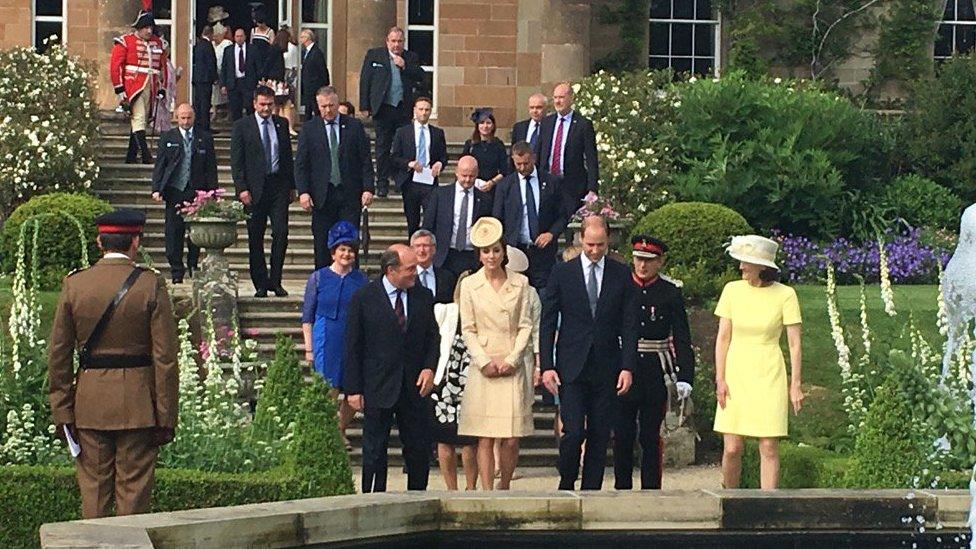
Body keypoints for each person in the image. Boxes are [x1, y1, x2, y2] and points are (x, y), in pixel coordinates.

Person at [47, 209, 178, 519]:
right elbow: (165, 358)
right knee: (133, 498)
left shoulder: (75, 284)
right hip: (138, 405)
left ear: (99, 242)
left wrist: (62, 411)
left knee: (93, 494)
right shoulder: (150, 284)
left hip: (89, 405)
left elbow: (59, 355)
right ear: (135, 241)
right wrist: (166, 415)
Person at [540, 216, 638, 490]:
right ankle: (567, 481)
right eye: (591, 244)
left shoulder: (621, 274)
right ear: (580, 239)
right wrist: (547, 364)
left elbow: (629, 324)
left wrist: (627, 366)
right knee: (573, 431)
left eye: (601, 245)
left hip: (607, 364)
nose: (595, 251)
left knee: (599, 433)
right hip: (571, 364)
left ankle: (592, 490)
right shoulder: (563, 273)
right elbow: (547, 321)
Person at [345, 244, 440, 493]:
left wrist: (429, 368)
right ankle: (373, 499)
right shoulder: (364, 298)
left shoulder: (422, 296)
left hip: (414, 387)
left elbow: (433, 338)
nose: (415, 273)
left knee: (418, 449)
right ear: (391, 270)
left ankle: (418, 499)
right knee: (375, 451)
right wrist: (353, 390)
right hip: (378, 385)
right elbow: (353, 346)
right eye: (409, 269)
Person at [714, 235, 804, 490]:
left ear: (763, 267)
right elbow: (722, 338)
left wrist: (795, 384)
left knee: (768, 445)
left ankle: (768, 506)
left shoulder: (786, 295)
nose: (741, 267)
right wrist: (720, 378)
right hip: (736, 371)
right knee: (732, 447)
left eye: (747, 263)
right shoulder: (732, 290)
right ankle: (728, 501)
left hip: (769, 371)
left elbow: (795, 344)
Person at [457, 218, 533, 490]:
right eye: (486, 251)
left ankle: (505, 486)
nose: (491, 256)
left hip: (511, 359)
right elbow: (468, 328)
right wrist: (484, 361)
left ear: (504, 253)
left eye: (496, 250)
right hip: (484, 363)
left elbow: (526, 324)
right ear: (479, 255)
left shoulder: (521, 283)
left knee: (511, 436)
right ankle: (488, 491)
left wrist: (513, 359)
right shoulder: (469, 285)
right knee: (485, 436)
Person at [614, 235, 694, 490]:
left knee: (650, 435)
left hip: (654, 368)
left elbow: (681, 336)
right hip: (624, 366)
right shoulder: (621, 287)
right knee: (623, 434)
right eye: (638, 260)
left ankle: (651, 489)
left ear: (660, 262)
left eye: (649, 261)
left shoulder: (669, 293)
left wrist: (685, 377)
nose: (642, 266)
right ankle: (622, 488)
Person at [301, 221, 368, 450]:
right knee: (328, 388)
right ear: (333, 252)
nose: (346, 254)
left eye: (350, 250)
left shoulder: (361, 280)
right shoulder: (318, 278)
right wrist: (309, 348)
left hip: (352, 338)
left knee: (352, 388)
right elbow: (307, 316)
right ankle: (329, 431)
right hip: (325, 337)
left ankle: (339, 428)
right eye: (342, 249)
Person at [295, 86, 374, 270]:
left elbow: (365, 160)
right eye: (323, 106)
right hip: (322, 196)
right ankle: (323, 283)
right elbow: (301, 164)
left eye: (331, 105)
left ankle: (351, 284)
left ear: (338, 104)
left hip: (348, 194)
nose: (327, 110)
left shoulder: (354, 127)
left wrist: (368, 188)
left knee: (349, 242)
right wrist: (303, 192)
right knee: (322, 244)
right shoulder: (309, 129)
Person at [231, 85, 295, 298]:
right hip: (254, 188)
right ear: (254, 104)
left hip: (278, 185)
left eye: (270, 104)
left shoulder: (282, 124)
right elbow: (237, 162)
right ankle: (260, 282)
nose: (266, 108)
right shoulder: (242, 126)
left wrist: (292, 186)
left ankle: (275, 280)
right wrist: (242, 189)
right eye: (262, 104)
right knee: (255, 236)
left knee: (281, 232)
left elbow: (287, 157)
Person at [150, 104, 218, 284]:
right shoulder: (168, 137)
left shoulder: (204, 138)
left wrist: (213, 192)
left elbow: (211, 168)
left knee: (195, 232)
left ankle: (193, 265)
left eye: (188, 117)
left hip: (196, 191)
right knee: (174, 232)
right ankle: (176, 270)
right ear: (176, 118)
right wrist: (156, 188)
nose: (186, 121)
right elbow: (160, 165)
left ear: (193, 117)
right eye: (182, 118)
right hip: (175, 190)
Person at [359, 26, 426, 197]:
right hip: (383, 107)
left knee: (402, 146)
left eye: (400, 41)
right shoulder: (375, 55)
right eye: (393, 41)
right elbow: (365, 80)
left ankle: (400, 179)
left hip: (402, 108)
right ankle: (382, 182)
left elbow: (421, 76)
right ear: (387, 41)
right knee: (382, 146)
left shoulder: (410, 57)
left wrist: (405, 66)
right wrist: (364, 105)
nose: (396, 45)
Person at [493, 141, 567, 289]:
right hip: (515, 251)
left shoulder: (551, 182)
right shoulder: (505, 186)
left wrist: (551, 233)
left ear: (533, 158)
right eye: (518, 164)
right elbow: (497, 218)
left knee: (543, 297)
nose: (522, 168)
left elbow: (563, 215)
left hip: (543, 253)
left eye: (526, 163)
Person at [110, 10, 168, 164]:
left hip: (152, 85)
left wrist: (162, 87)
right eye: (145, 27)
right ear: (139, 28)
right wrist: (120, 89)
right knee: (139, 117)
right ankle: (145, 154)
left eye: (151, 27)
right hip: (133, 86)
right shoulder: (125, 41)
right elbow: (116, 66)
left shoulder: (158, 43)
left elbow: (162, 67)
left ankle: (130, 156)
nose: (149, 31)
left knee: (140, 120)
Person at [421, 155, 492, 277]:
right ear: (456, 172)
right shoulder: (440, 194)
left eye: (472, 176)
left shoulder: (485, 199)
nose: (468, 180)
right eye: (464, 175)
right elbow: (428, 225)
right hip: (445, 256)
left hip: (472, 257)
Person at [535, 82, 599, 212]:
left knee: (568, 224)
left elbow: (591, 159)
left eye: (561, 97)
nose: (558, 101)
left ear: (571, 98)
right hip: (548, 183)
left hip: (572, 186)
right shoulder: (546, 123)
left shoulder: (583, 124)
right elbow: (538, 152)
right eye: (555, 98)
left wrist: (592, 189)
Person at [391, 96, 447, 237]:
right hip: (410, 181)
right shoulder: (402, 132)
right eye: (421, 109)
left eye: (427, 110)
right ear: (414, 111)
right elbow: (394, 157)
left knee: (430, 217)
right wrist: (408, 163)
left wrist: (440, 163)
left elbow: (443, 156)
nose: (424, 113)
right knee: (412, 219)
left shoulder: (437, 133)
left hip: (429, 180)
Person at [462, 108, 510, 204]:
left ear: (493, 126)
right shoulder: (470, 144)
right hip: (473, 186)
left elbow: (504, 170)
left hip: (493, 188)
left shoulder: (498, 145)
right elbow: (463, 166)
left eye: (488, 123)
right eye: (482, 123)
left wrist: (492, 183)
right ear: (477, 125)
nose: (485, 126)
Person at [412, 229, 457, 305]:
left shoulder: (448, 277)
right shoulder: (406, 277)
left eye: (425, 246)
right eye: (418, 246)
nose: (422, 250)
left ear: (433, 249)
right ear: (411, 249)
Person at [220, 28, 253, 121]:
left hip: (248, 83)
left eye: (241, 36)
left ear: (245, 37)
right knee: (235, 109)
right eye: (237, 36)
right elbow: (224, 68)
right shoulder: (228, 50)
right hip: (233, 83)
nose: (239, 38)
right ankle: (237, 130)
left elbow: (257, 66)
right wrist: (223, 85)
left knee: (250, 107)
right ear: (234, 38)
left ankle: (250, 130)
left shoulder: (252, 49)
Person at [299, 28, 330, 122]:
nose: (300, 39)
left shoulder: (316, 52)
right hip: (308, 86)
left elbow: (322, 70)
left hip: (315, 86)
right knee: (308, 109)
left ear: (308, 38)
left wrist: (323, 85)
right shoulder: (306, 52)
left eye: (302, 37)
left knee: (316, 109)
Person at [192, 25, 218, 131]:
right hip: (206, 79)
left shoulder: (197, 45)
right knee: (205, 103)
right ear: (210, 34)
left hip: (197, 79)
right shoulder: (208, 45)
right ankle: (205, 127)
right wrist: (215, 77)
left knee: (198, 103)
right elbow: (211, 63)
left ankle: (198, 124)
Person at [274, 25, 299, 131]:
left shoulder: (291, 48)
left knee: (288, 103)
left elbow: (292, 66)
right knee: (280, 103)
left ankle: (289, 126)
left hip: (287, 77)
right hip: (282, 78)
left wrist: (289, 81)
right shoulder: (278, 48)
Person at [211, 21, 233, 123]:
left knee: (227, 94)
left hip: (225, 72)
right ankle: (214, 112)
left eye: (216, 35)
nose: (214, 37)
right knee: (214, 94)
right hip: (214, 72)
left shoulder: (227, 44)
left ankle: (229, 114)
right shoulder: (212, 44)